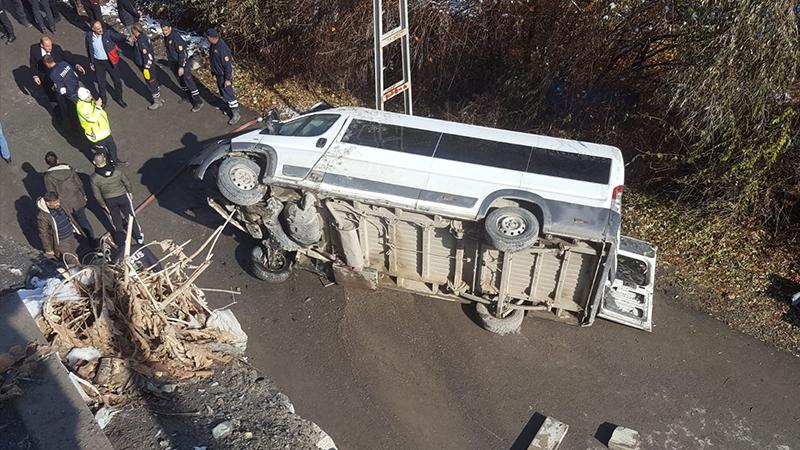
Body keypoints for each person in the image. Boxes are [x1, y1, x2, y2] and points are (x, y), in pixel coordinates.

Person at [90, 152, 143, 244]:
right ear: (105, 160)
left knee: (116, 221)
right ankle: (139, 237)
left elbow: (96, 194)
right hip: (123, 197)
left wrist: (103, 204)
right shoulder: (117, 171)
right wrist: (129, 192)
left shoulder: (94, 178)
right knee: (131, 217)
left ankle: (122, 241)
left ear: (94, 162)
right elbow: (126, 182)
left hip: (109, 201)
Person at [43, 151, 95, 241]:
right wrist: (83, 194)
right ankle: (92, 239)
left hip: (64, 203)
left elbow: (51, 192)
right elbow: (79, 183)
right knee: (83, 220)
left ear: (47, 163)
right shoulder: (69, 169)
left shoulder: (48, 177)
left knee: (72, 222)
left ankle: (81, 237)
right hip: (77, 199)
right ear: (58, 160)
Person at [76, 87, 125, 166]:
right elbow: (92, 118)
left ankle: (114, 161)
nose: (91, 97)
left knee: (112, 147)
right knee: (102, 153)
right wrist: (98, 106)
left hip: (104, 131)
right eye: (88, 97)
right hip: (96, 134)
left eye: (90, 95)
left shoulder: (88, 101)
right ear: (83, 98)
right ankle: (104, 165)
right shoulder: (82, 107)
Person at [161, 21, 203, 112]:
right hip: (173, 62)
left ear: (170, 28)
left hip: (182, 63)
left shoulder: (176, 38)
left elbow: (183, 53)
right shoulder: (167, 37)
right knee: (181, 82)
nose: (164, 32)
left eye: (166, 30)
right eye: (163, 30)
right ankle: (188, 97)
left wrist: (181, 66)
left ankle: (198, 101)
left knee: (189, 82)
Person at [85, 20, 128, 107]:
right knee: (101, 84)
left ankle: (119, 98)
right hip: (98, 62)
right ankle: (103, 101)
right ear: (93, 29)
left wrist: (127, 38)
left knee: (117, 81)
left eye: (100, 27)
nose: (100, 30)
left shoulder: (107, 33)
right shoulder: (89, 36)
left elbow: (118, 36)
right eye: (97, 28)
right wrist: (91, 62)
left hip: (109, 61)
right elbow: (89, 49)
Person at [37, 191, 82, 264]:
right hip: (61, 240)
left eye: (58, 201)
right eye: (55, 203)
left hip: (71, 234)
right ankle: (78, 272)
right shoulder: (43, 216)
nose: (58, 204)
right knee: (70, 258)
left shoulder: (59, 204)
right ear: (48, 203)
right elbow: (43, 233)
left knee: (76, 251)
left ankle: (81, 265)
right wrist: (48, 249)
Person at [205, 28, 240, 125]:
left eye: (208, 38)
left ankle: (235, 114)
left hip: (224, 76)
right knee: (223, 93)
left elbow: (228, 66)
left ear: (212, 38)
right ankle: (228, 107)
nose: (207, 39)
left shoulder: (222, 49)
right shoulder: (213, 45)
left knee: (228, 93)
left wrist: (227, 79)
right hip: (218, 73)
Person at [45, 54, 85, 130]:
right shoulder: (63, 63)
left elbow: (62, 90)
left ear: (47, 63)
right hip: (78, 86)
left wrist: (55, 89)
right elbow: (74, 73)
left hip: (71, 94)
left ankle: (76, 128)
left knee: (74, 111)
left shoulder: (53, 74)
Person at [130, 23, 163, 110]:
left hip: (147, 67)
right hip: (148, 66)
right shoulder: (141, 38)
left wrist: (146, 68)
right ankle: (159, 98)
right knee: (154, 82)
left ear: (136, 31)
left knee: (151, 83)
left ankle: (157, 102)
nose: (132, 34)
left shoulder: (142, 41)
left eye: (133, 32)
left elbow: (148, 57)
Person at [30, 36, 67, 108]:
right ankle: (55, 107)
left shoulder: (57, 48)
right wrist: (35, 75)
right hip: (44, 76)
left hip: (57, 75)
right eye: (47, 46)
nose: (50, 48)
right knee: (49, 92)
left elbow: (64, 61)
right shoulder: (34, 49)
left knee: (62, 92)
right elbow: (33, 63)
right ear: (41, 45)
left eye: (51, 45)